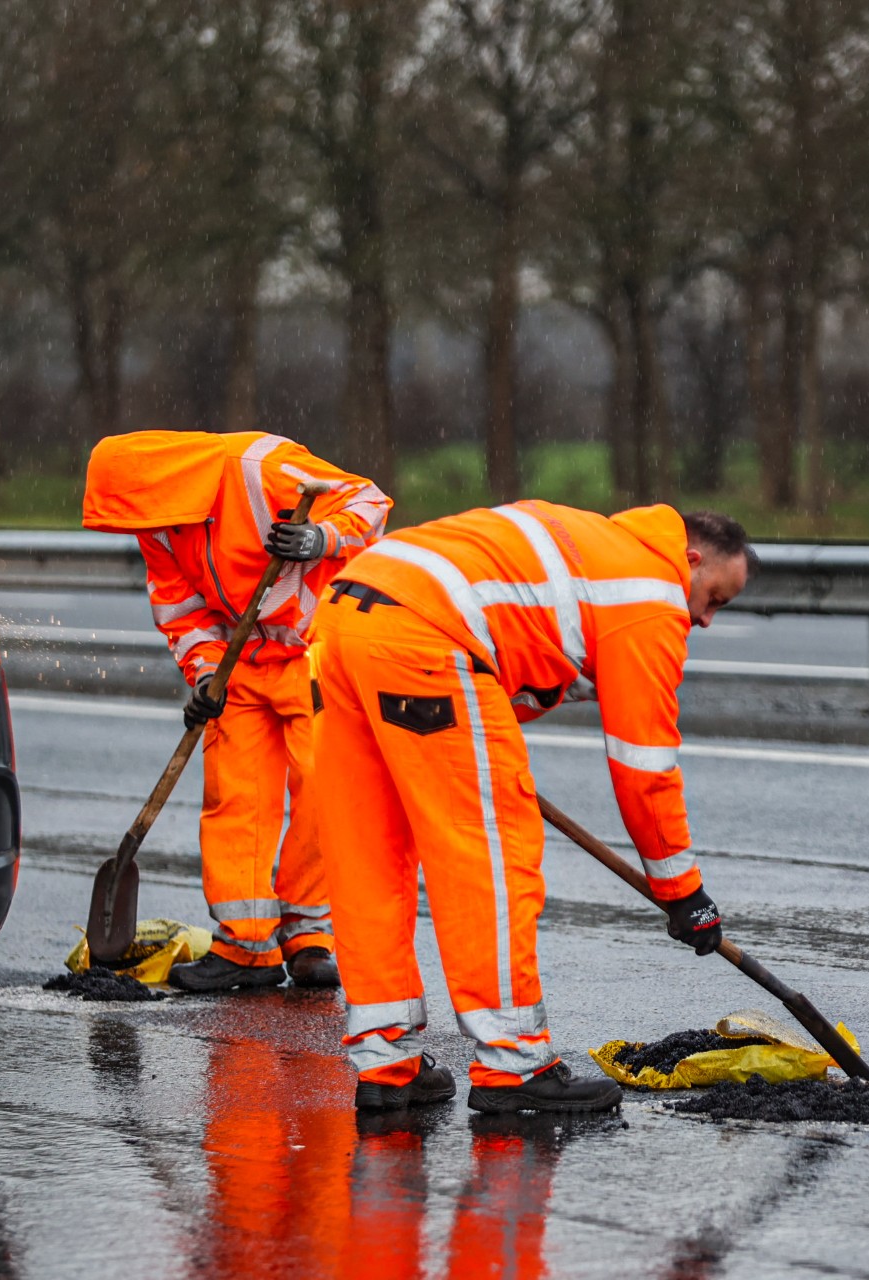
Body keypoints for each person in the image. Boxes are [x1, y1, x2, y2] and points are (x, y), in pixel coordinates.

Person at [312, 502, 753, 1113]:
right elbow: (644, 770)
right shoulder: (650, 595)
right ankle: (513, 1062)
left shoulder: (598, 546)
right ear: (692, 560)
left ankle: (387, 1063)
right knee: (488, 853)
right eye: (715, 599)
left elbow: (520, 660)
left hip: (343, 615)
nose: (703, 619)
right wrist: (684, 894)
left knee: (369, 852)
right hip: (426, 630)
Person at [83, 430, 391, 992]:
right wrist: (204, 675)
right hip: (239, 662)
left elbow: (369, 502)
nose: (137, 531)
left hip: (314, 650)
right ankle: (245, 946)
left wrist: (321, 538)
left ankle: (311, 935)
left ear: (154, 487)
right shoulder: (155, 524)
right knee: (235, 798)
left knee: (325, 794)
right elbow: (179, 604)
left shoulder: (257, 466)